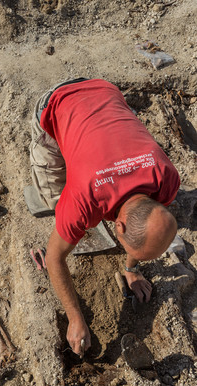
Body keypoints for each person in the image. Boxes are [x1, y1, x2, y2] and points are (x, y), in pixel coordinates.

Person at [25, 78, 180, 358]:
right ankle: (57, 195)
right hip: (57, 101)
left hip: (106, 92)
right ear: (117, 226)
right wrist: (75, 317)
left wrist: (132, 269)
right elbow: (54, 258)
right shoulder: (83, 199)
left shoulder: (166, 176)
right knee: (54, 197)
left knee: (78, 186)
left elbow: (144, 229)